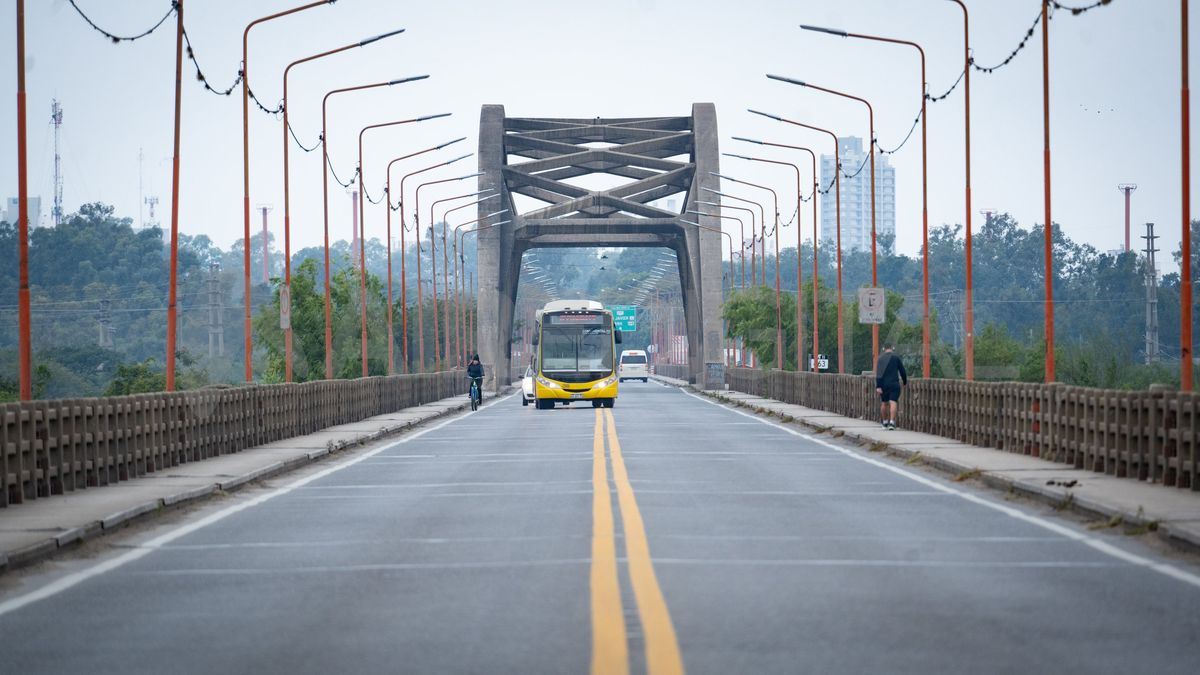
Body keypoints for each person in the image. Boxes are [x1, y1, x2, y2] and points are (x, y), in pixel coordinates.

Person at [874, 343, 908, 430]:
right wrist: (904, 381)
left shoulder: (880, 359)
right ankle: (892, 423)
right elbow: (902, 371)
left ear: (883, 349)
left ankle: (885, 422)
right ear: (892, 348)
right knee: (893, 402)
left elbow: (878, 374)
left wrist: (878, 386)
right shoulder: (896, 358)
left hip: (884, 385)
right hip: (894, 383)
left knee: (884, 403)